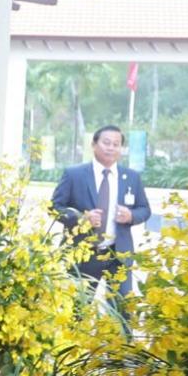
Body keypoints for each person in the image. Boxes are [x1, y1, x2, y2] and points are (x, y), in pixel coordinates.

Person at [52, 124, 151, 300]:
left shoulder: (132, 177)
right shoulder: (74, 174)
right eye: (106, 143)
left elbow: (144, 209)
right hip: (83, 254)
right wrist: (81, 219)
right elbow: (54, 207)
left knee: (123, 310)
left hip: (118, 254)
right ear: (94, 145)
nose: (111, 148)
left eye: (116, 144)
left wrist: (131, 216)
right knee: (78, 312)